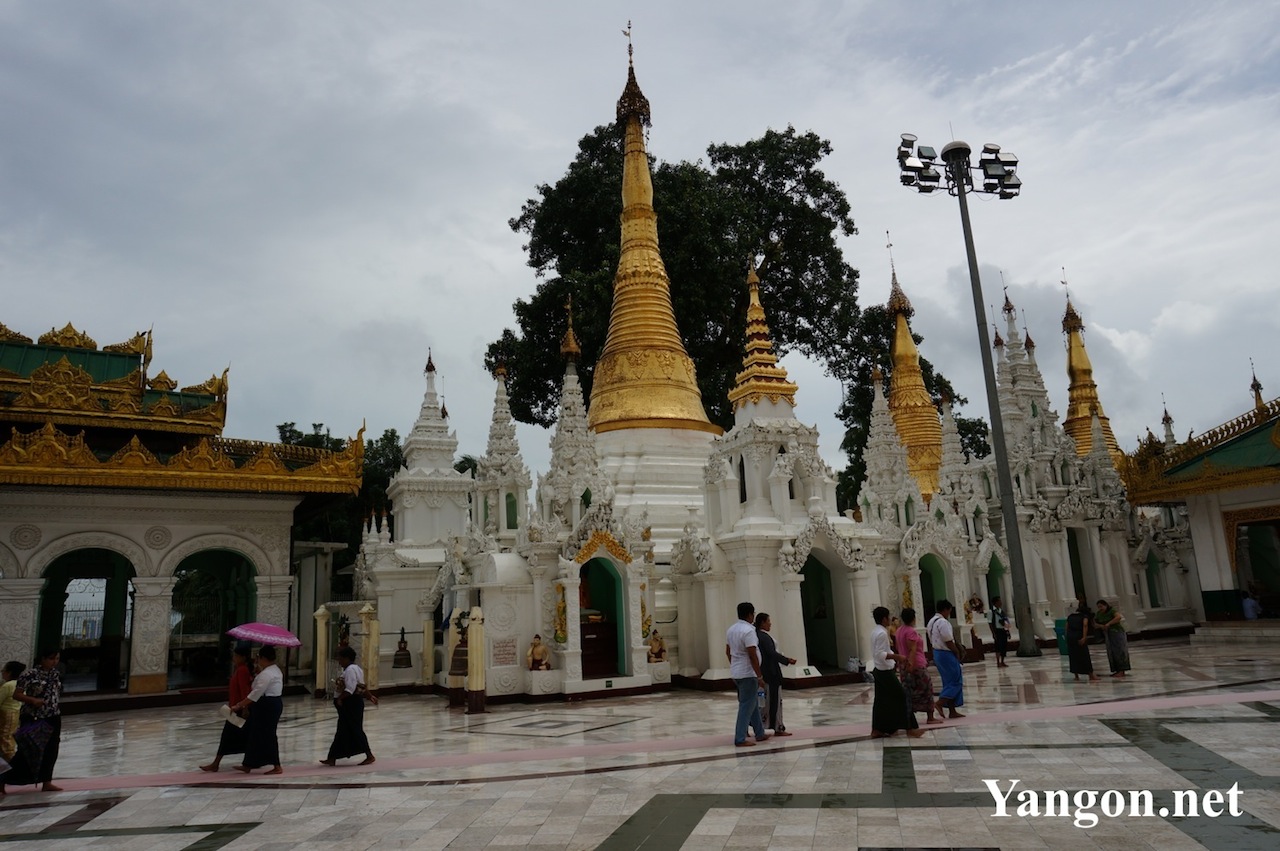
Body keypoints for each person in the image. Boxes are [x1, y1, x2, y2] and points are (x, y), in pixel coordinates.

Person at [1, 648, 64, 793]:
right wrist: (32, 700)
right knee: (28, 750)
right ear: (42, 659)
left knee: (51, 750)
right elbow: (17, 695)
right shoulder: (29, 675)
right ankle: (4, 779)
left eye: (57, 659)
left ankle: (47, 781)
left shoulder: (55, 674)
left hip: (52, 715)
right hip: (33, 717)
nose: (54, 662)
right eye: (51, 658)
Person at [870, 607, 925, 738]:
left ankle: (878, 729)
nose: (890, 620)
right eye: (888, 617)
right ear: (884, 618)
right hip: (885, 671)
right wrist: (898, 657)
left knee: (881, 700)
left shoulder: (875, 631)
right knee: (902, 696)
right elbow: (879, 654)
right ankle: (910, 728)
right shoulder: (882, 633)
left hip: (879, 670)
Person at [200, 642, 253, 772]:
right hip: (234, 708)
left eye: (236, 656)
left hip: (238, 710)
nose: (234, 658)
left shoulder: (242, 671)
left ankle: (217, 763)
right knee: (239, 736)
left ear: (243, 657)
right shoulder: (238, 669)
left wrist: (245, 708)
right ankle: (245, 763)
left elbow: (244, 691)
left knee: (229, 736)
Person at [231, 645, 284, 774]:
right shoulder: (272, 670)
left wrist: (240, 705)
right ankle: (249, 763)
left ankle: (277, 765)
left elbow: (255, 693)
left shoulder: (268, 673)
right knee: (255, 734)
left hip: (267, 705)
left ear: (263, 658)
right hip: (268, 704)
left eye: (259, 657)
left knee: (268, 734)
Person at [321, 645, 375, 766]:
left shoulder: (350, 670)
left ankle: (369, 755)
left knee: (355, 729)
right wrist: (370, 696)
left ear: (347, 658)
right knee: (342, 730)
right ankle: (332, 757)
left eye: (340, 659)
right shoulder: (357, 669)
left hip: (350, 703)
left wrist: (340, 699)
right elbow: (361, 686)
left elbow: (350, 688)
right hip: (353, 703)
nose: (339, 662)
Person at [725, 601, 769, 747]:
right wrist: (759, 676)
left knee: (752, 703)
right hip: (748, 673)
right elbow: (752, 655)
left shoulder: (731, 629)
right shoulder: (748, 631)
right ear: (750, 614)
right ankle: (740, 738)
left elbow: (728, 651)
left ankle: (760, 733)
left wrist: (735, 666)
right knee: (746, 705)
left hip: (737, 672)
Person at [753, 613, 796, 737]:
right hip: (771, 675)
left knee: (761, 700)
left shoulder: (755, 636)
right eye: (768, 621)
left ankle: (756, 726)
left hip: (760, 675)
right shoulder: (764, 637)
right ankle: (778, 727)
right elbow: (772, 653)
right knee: (774, 701)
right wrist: (787, 660)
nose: (770, 623)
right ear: (762, 623)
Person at [896, 608, 940, 726]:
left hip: (903, 665)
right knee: (927, 688)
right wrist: (911, 664)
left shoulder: (899, 630)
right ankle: (930, 716)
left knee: (909, 690)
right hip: (916, 664)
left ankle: (910, 714)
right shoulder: (911, 631)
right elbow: (912, 649)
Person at [927, 601, 965, 719]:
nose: (949, 613)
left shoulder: (931, 622)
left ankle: (952, 710)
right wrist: (957, 651)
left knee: (948, 681)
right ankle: (940, 703)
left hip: (937, 652)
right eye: (949, 611)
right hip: (945, 653)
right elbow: (948, 640)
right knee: (956, 680)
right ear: (945, 610)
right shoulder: (943, 622)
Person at [1065, 599, 1099, 683]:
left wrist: (1067, 636)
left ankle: (1076, 675)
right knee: (1084, 655)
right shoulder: (1084, 617)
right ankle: (1091, 675)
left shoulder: (1070, 616)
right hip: (1079, 635)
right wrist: (1084, 637)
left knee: (1073, 656)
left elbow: (1066, 627)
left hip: (1070, 637)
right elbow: (1085, 625)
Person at [1094, 599, 1130, 678]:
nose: (1100, 608)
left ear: (1106, 605)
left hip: (1117, 633)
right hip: (1108, 634)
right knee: (1111, 652)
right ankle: (1116, 670)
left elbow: (1118, 617)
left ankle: (1122, 670)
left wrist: (1109, 624)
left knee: (1119, 650)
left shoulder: (1112, 611)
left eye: (1101, 606)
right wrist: (1101, 626)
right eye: (1098, 607)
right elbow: (1095, 623)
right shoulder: (1099, 614)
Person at [0, 661, 24, 765]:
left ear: (9, 673)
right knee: (9, 737)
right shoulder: (19, 684)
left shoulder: (7, 685)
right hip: (15, 714)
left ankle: (13, 764)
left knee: (5, 739)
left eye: (3, 670)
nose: (2, 673)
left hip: (6, 715)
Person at [989, 596, 1010, 668]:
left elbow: (1006, 621)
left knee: (1004, 645)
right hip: (997, 630)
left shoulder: (1002, 611)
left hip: (1003, 630)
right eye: (999, 601)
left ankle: (1003, 661)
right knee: (998, 646)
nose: (1001, 603)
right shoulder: (991, 612)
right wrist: (993, 633)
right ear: (995, 603)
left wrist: (1008, 630)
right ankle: (998, 662)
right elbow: (990, 623)